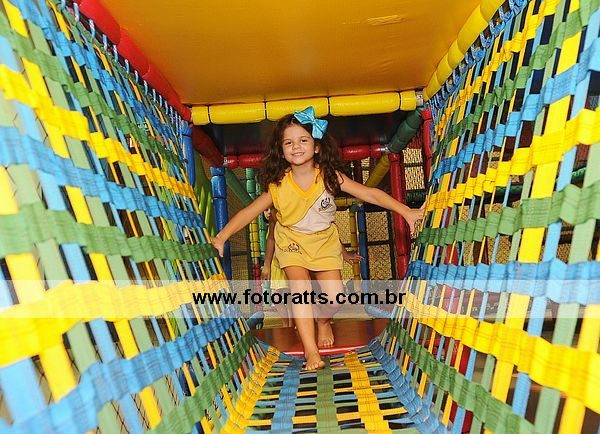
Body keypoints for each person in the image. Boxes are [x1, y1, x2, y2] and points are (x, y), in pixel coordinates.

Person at [211, 106, 424, 370]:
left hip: (324, 243)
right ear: (281, 150)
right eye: (289, 142)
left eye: (303, 140)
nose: (296, 147)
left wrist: (406, 211)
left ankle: (322, 320)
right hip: (292, 242)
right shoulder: (278, 186)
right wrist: (222, 237)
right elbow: (248, 212)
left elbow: (370, 194)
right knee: (300, 290)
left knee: (336, 297)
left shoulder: (329, 178)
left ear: (316, 147)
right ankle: (311, 351)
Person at [261, 207, 363, 328]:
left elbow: (328, 230)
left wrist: (344, 254)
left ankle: (323, 320)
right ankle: (308, 324)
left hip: (316, 253)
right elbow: (271, 238)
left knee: (330, 295)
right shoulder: (277, 211)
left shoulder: (312, 207)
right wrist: (267, 264)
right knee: (300, 291)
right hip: (294, 256)